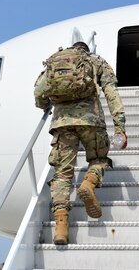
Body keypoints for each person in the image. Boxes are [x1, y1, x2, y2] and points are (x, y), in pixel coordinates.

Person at [34, 41, 127, 245]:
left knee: (62, 173)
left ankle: (61, 227)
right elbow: (111, 92)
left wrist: (46, 105)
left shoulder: (54, 62)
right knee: (99, 159)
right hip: (91, 121)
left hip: (61, 123)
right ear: (86, 51)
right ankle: (88, 182)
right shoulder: (96, 61)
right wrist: (119, 125)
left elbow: (38, 94)